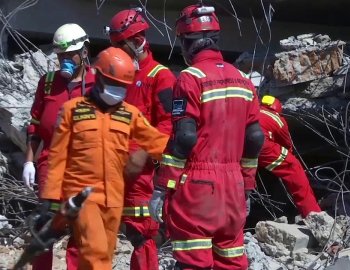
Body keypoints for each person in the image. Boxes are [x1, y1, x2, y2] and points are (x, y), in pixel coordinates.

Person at [148, 3, 264, 270]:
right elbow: (255, 137)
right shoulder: (243, 79)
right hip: (233, 187)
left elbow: (185, 138)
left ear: (189, 42)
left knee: (194, 262)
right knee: (231, 261)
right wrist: (246, 185)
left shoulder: (190, 78)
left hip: (198, 189)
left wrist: (162, 187)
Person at [38, 47, 170, 270]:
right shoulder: (72, 111)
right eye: (113, 83)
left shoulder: (129, 113)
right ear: (97, 77)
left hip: (113, 199)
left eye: (122, 86)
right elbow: (58, 156)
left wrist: (144, 152)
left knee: (100, 258)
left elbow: (159, 142)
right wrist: (52, 199)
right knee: (95, 252)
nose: (118, 90)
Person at [105, 8, 176, 270]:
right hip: (114, 167)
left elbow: (169, 123)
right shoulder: (119, 75)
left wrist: (144, 152)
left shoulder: (161, 76)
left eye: (120, 47)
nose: (116, 53)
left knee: (141, 232)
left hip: (142, 172)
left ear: (137, 42)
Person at [23, 23, 94, 270]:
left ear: (84, 52)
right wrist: (29, 161)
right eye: (60, 55)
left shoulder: (99, 84)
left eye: (69, 54)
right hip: (50, 166)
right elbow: (34, 126)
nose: (64, 60)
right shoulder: (49, 82)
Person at [258, 95, 321, 218]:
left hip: (236, 146)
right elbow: (286, 145)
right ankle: (313, 214)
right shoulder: (277, 119)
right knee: (293, 167)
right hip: (260, 145)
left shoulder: (253, 110)